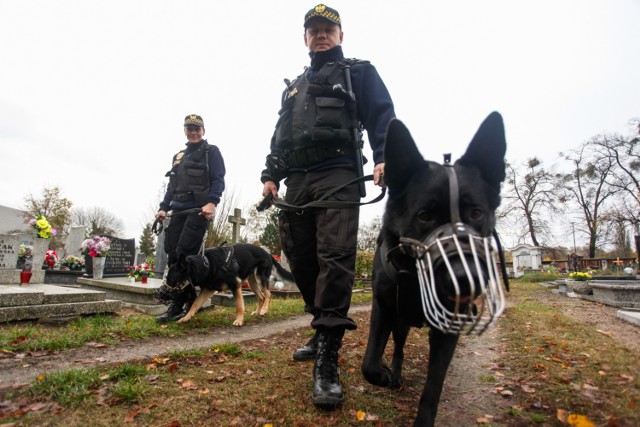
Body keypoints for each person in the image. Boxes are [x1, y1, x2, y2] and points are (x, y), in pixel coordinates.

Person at [260, 4, 395, 409]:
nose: (321, 34)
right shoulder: (293, 87)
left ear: (340, 35)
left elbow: (382, 115)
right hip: (297, 179)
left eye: (328, 29)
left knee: (334, 259)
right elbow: (280, 135)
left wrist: (383, 155)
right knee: (301, 261)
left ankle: (327, 359)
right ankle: (321, 329)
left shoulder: (358, 72)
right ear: (305, 37)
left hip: (338, 173)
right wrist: (270, 175)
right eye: (314, 29)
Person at [155, 114, 226, 323]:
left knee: (184, 256)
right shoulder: (179, 156)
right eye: (190, 129)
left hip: (198, 210)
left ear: (203, 131)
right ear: (185, 131)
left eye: (197, 129)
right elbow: (172, 185)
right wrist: (163, 208)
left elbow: (218, 179)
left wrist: (212, 202)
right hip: (177, 210)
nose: (194, 132)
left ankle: (176, 306)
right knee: (172, 255)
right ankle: (188, 301)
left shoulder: (211, 152)